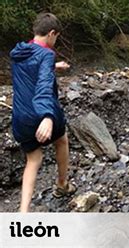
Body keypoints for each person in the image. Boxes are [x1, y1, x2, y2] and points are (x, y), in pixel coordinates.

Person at [10, 13, 76, 212]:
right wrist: (47, 116)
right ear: (52, 33)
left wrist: (54, 67)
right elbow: (44, 86)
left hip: (20, 118)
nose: (55, 41)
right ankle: (62, 185)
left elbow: (33, 68)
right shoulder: (47, 54)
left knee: (34, 158)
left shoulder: (18, 52)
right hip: (41, 113)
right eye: (56, 37)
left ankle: (23, 213)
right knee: (62, 139)